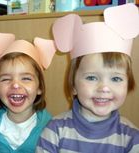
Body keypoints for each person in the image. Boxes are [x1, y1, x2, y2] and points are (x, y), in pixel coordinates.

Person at [36, 3, 139, 153]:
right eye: (91, 78)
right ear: (73, 85)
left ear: (128, 84)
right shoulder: (54, 131)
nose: (104, 88)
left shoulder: (132, 139)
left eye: (116, 79)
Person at [0, 31, 56, 153]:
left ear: (39, 88)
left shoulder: (50, 127)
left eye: (26, 78)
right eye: (6, 79)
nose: (15, 85)